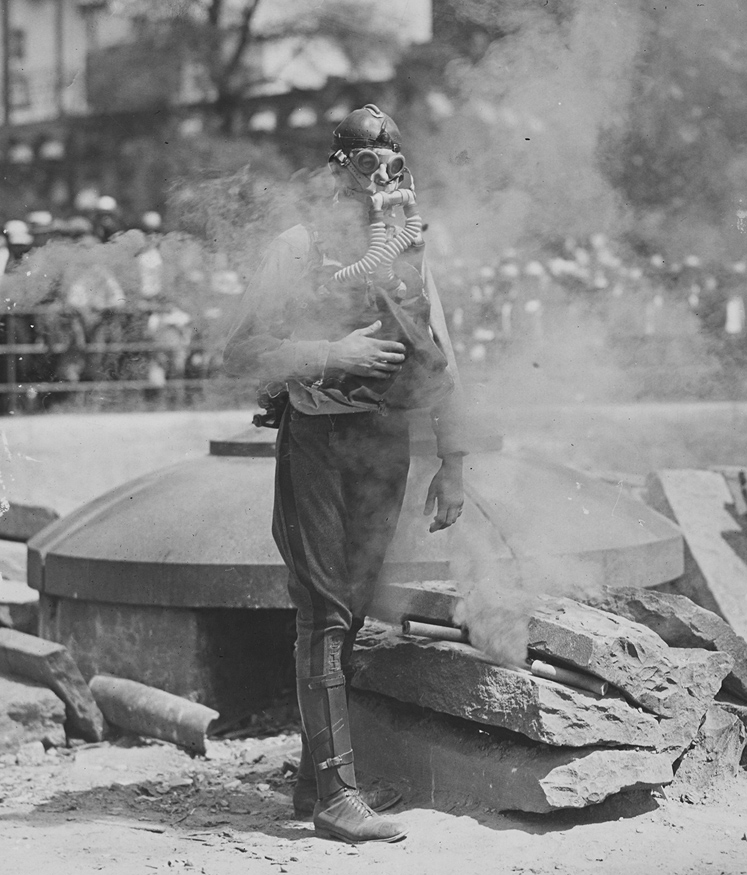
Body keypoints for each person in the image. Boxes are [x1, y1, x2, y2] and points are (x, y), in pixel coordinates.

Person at [223, 104, 470, 844]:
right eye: (365, 162)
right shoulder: (296, 247)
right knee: (325, 612)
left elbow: (442, 357)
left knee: (350, 612)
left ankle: (317, 779)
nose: (379, 178)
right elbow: (245, 350)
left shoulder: (411, 251)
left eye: (391, 163)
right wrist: (333, 355)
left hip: (382, 443)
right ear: (337, 168)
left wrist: (453, 461)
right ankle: (336, 793)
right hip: (321, 443)